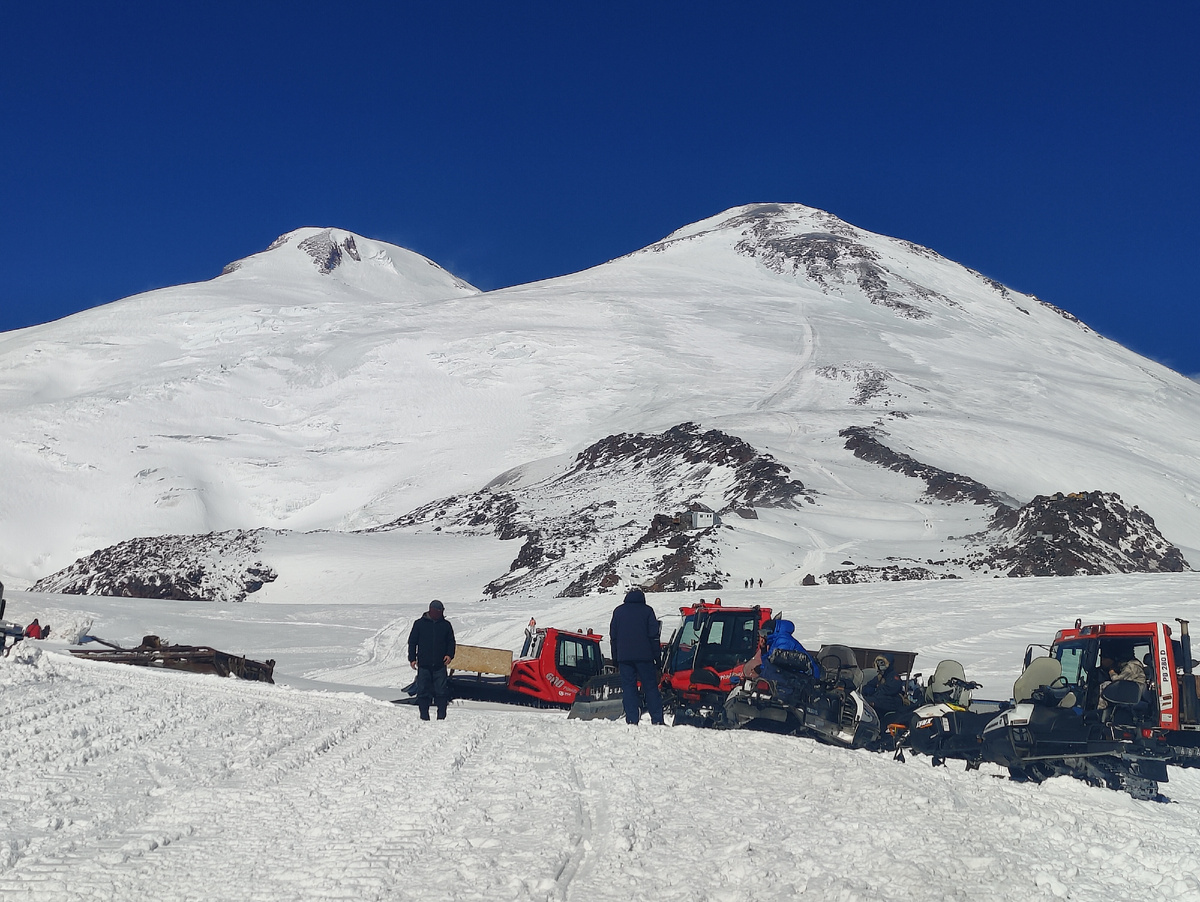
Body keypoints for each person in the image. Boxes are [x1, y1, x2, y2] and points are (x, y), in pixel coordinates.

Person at [609, 588, 665, 725]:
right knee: (650, 687)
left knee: (629, 688)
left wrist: (615, 658)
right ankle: (657, 719)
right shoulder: (647, 611)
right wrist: (657, 658)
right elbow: (654, 636)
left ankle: (632, 719)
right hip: (645, 657)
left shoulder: (618, 611)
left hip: (624, 658)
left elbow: (613, 637)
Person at [407, 600, 456, 721]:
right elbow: (412, 642)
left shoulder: (446, 625)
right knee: (423, 691)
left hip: (440, 665)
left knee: (441, 692)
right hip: (423, 664)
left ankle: (441, 717)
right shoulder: (419, 624)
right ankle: (424, 717)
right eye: (438, 611)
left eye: (442, 611)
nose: (440, 613)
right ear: (431, 610)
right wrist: (412, 659)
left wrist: (449, 655)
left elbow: (451, 642)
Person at [863, 654, 909, 721]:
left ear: (888, 663)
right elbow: (869, 685)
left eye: (882, 663)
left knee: (872, 701)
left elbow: (891, 689)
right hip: (881, 699)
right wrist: (868, 691)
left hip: (893, 701)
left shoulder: (893, 676)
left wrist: (876, 691)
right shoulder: (880, 676)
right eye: (878, 663)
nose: (880, 665)